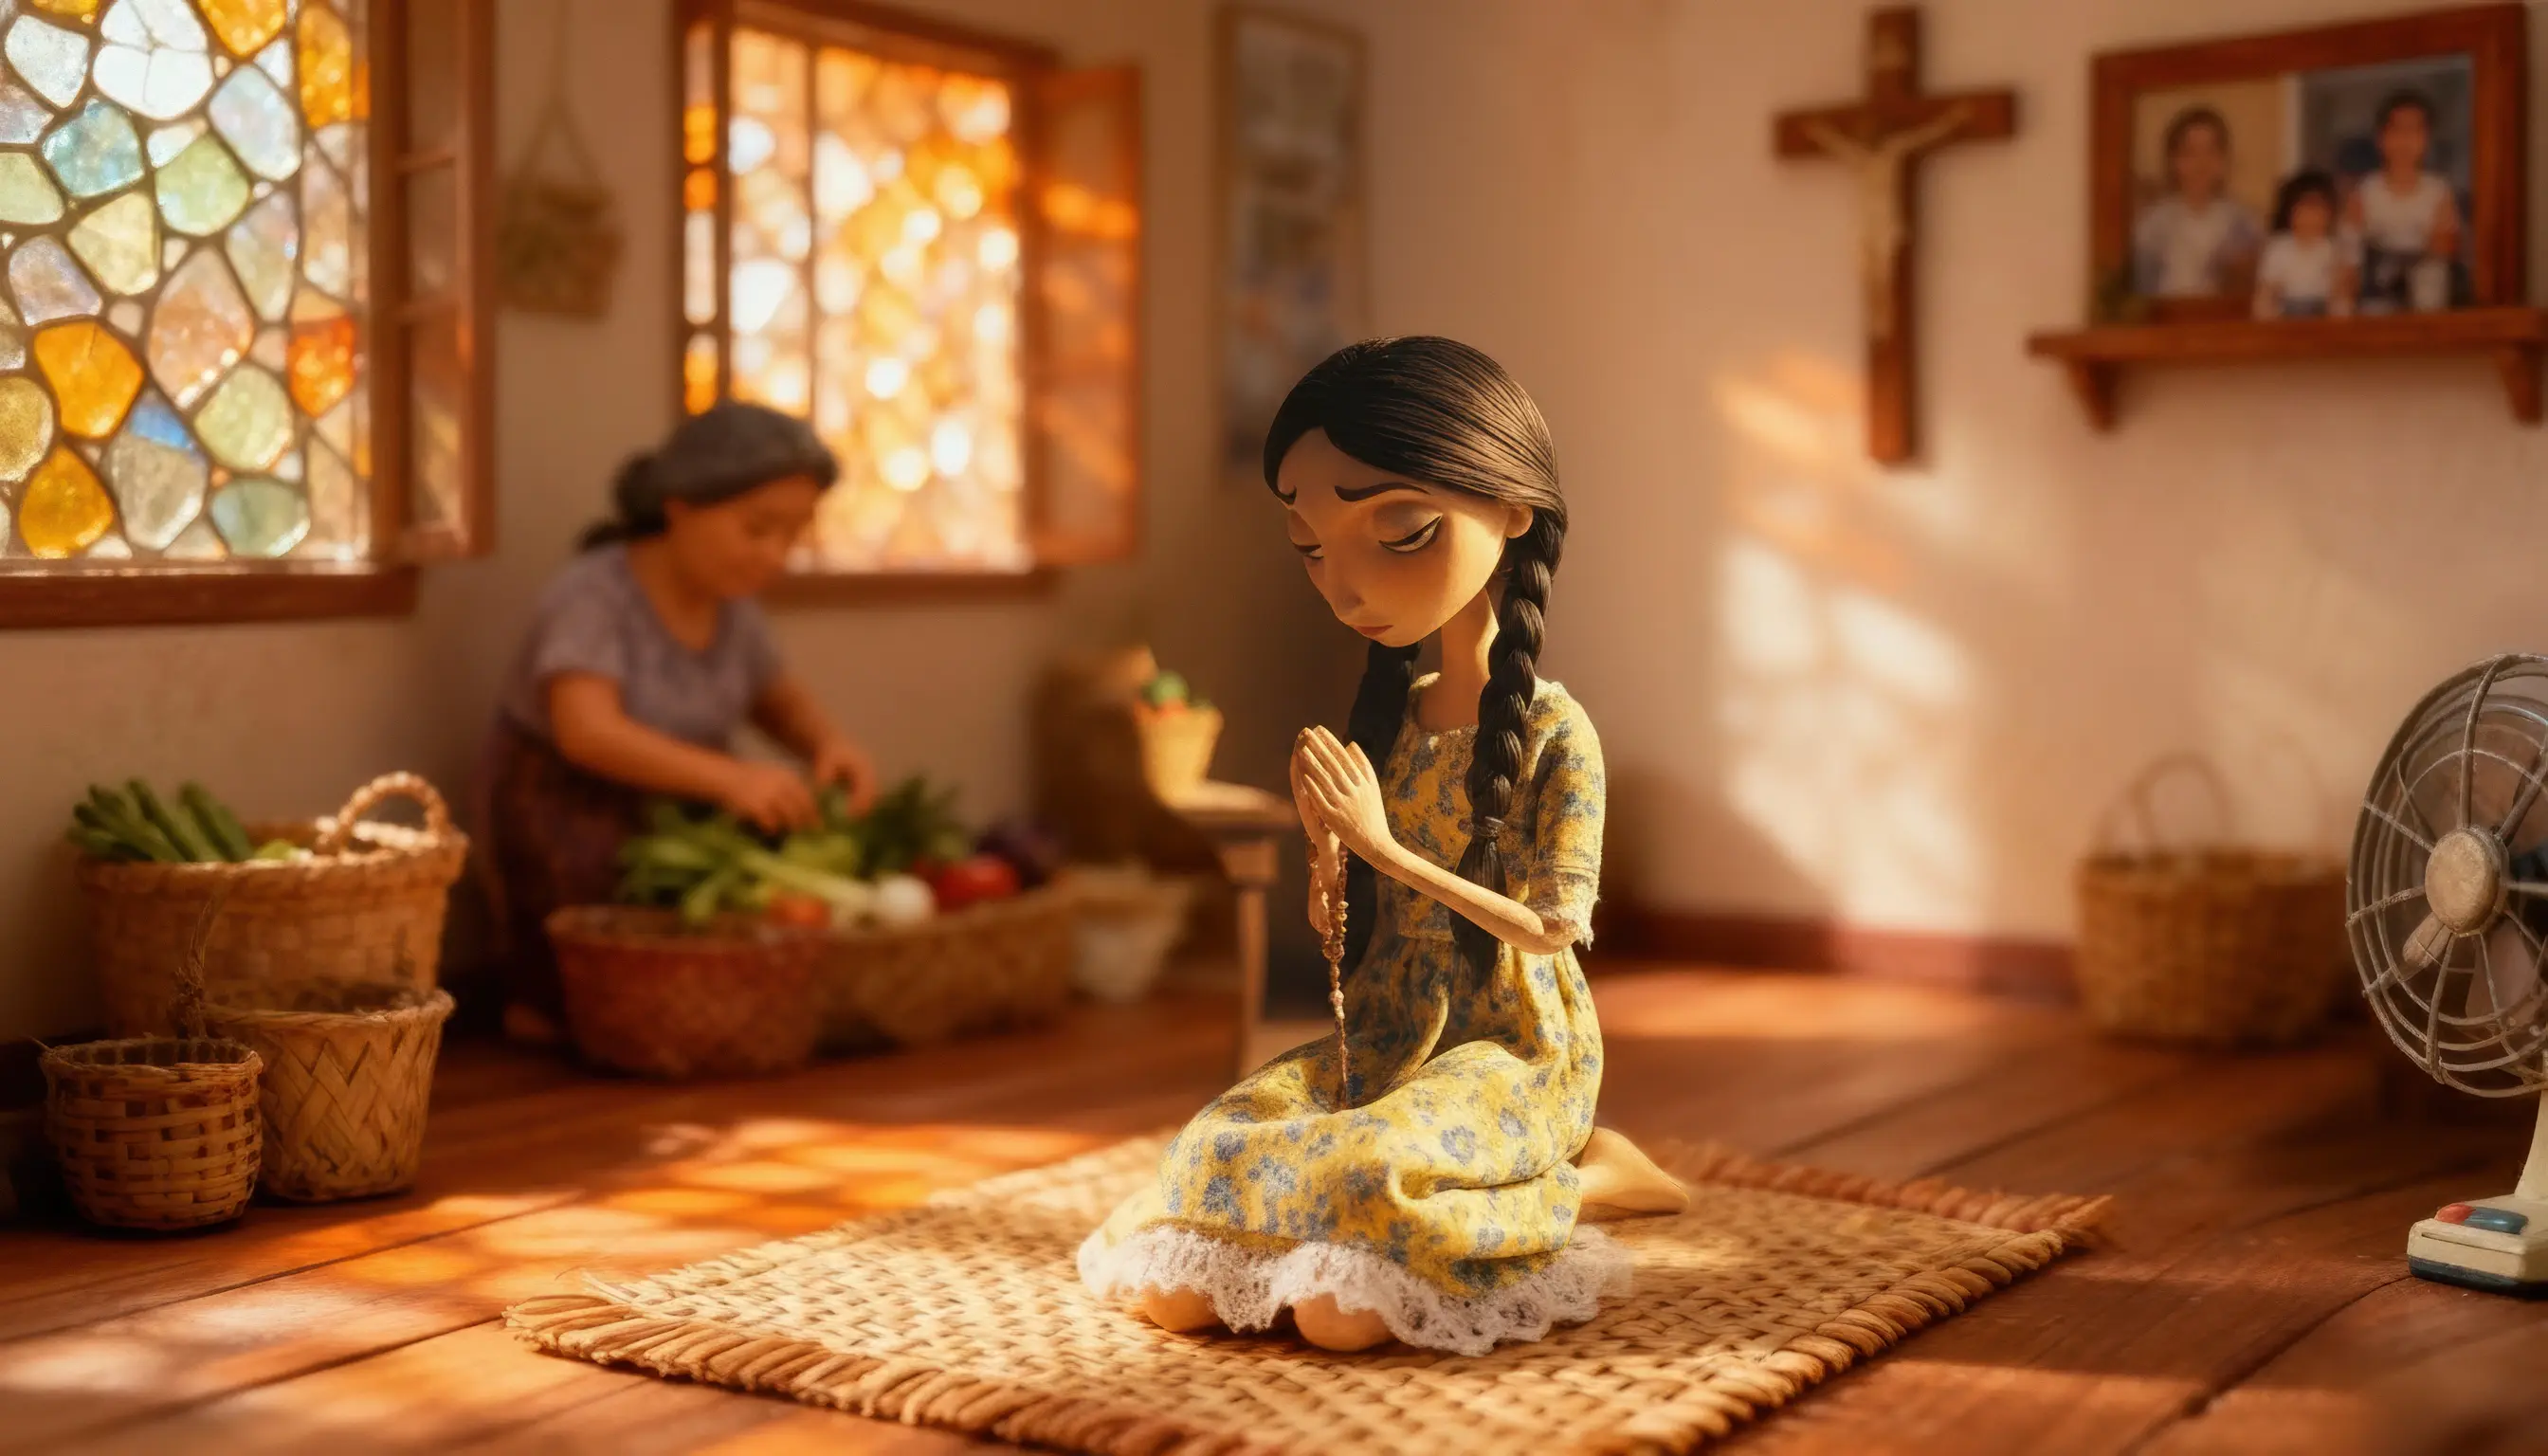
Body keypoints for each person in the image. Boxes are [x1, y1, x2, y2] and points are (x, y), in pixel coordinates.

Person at [1076, 337, 1688, 1356]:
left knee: (1354, 1245)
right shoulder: (1389, 722)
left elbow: (1549, 934)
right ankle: (1442, 1203)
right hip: (1390, 1035)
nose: (1345, 585)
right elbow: (1345, 926)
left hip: (1508, 1049)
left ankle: (1570, 1180)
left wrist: (1386, 846)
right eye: (1311, 547)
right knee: (1214, 1152)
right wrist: (1331, 856)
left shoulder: (1554, 733)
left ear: (1513, 513)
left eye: (1398, 533)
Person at [479, 403, 875, 1046]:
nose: (775, 554)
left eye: (794, 535)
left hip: (677, 818)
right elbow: (587, 730)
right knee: (603, 990)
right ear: (680, 506)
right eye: (758, 528)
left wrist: (827, 743)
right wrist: (730, 779)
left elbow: (777, 698)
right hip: (567, 821)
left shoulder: (734, 610)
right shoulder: (593, 596)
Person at [2344, 90, 2463, 311]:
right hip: (2377, 302)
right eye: (2397, 130)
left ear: (2427, 138)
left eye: (2415, 131)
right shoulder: (2366, 192)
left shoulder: (2438, 191)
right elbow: (2350, 254)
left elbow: (2446, 246)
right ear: (2381, 138)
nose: (2405, 140)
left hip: (2428, 303)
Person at [2132, 106, 2261, 299]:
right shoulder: (2152, 225)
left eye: (2211, 151)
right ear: (2173, 160)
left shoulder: (2245, 223)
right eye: (2190, 153)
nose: (2202, 163)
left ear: (2224, 160)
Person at [2254, 169, 2356, 318]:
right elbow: (2268, 289)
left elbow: (2339, 290)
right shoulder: (2279, 248)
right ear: (2290, 212)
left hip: (2321, 310)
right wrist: (2265, 314)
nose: (2312, 218)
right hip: (2288, 310)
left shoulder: (2332, 249)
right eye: (2305, 210)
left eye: (2319, 210)